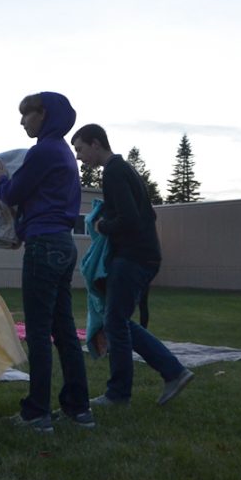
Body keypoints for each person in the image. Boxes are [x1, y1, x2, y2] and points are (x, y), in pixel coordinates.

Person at [0, 92, 94, 432]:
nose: (21, 121)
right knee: (63, 330)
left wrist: (2, 178)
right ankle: (79, 409)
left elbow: (14, 194)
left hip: (44, 246)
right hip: (62, 245)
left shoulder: (43, 151)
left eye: (26, 115)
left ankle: (37, 413)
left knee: (37, 331)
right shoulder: (63, 152)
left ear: (43, 114)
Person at [70, 123, 194, 406]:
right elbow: (145, 213)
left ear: (96, 144)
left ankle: (123, 392)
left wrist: (102, 225)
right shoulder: (123, 170)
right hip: (141, 255)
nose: (78, 157)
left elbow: (130, 219)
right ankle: (170, 372)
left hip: (133, 257)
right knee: (118, 322)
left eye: (80, 149)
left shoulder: (114, 172)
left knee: (116, 322)